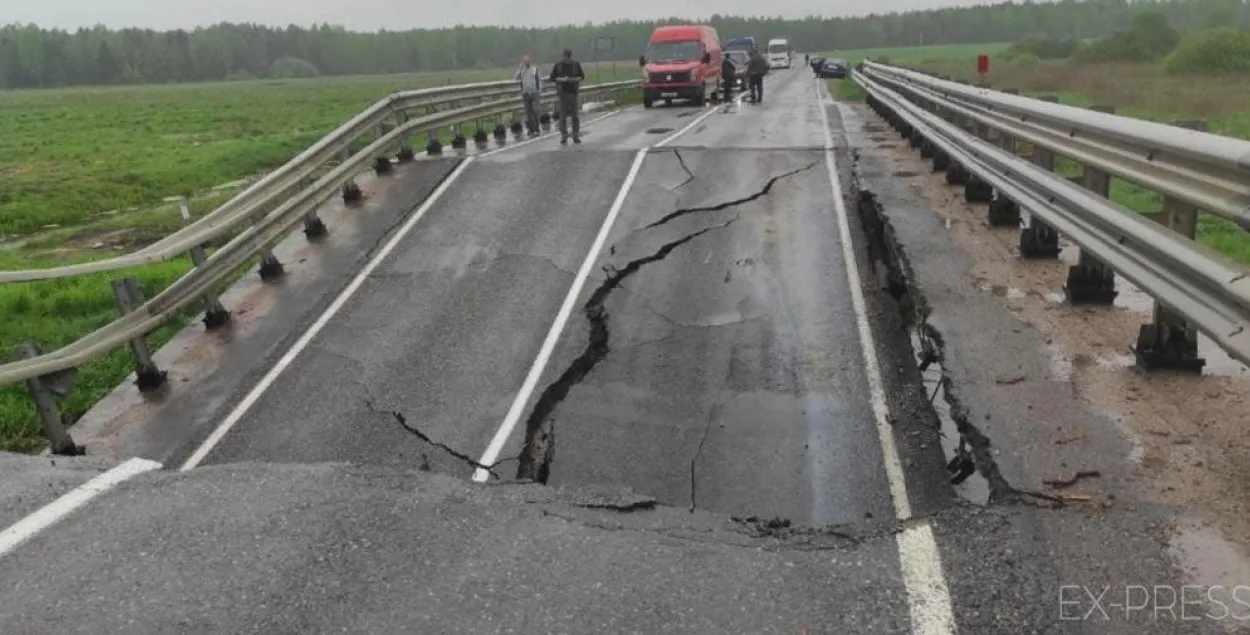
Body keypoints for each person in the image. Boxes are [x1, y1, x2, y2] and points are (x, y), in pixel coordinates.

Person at [549, 48, 585, 144]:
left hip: (573, 91)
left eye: (567, 57)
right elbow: (552, 77)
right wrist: (561, 79)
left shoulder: (576, 64)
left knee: (574, 115)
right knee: (563, 115)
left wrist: (574, 80)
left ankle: (575, 135)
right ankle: (564, 136)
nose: (566, 59)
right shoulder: (558, 65)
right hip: (562, 92)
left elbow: (582, 76)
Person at [514, 55, 542, 137]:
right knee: (528, 112)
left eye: (527, 61)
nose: (526, 63)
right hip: (525, 93)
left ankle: (537, 129)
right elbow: (515, 78)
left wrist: (539, 91)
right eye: (525, 62)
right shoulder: (522, 71)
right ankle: (531, 129)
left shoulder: (535, 70)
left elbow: (539, 80)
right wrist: (519, 68)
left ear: (530, 61)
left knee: (535, 110)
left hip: (534, 92)